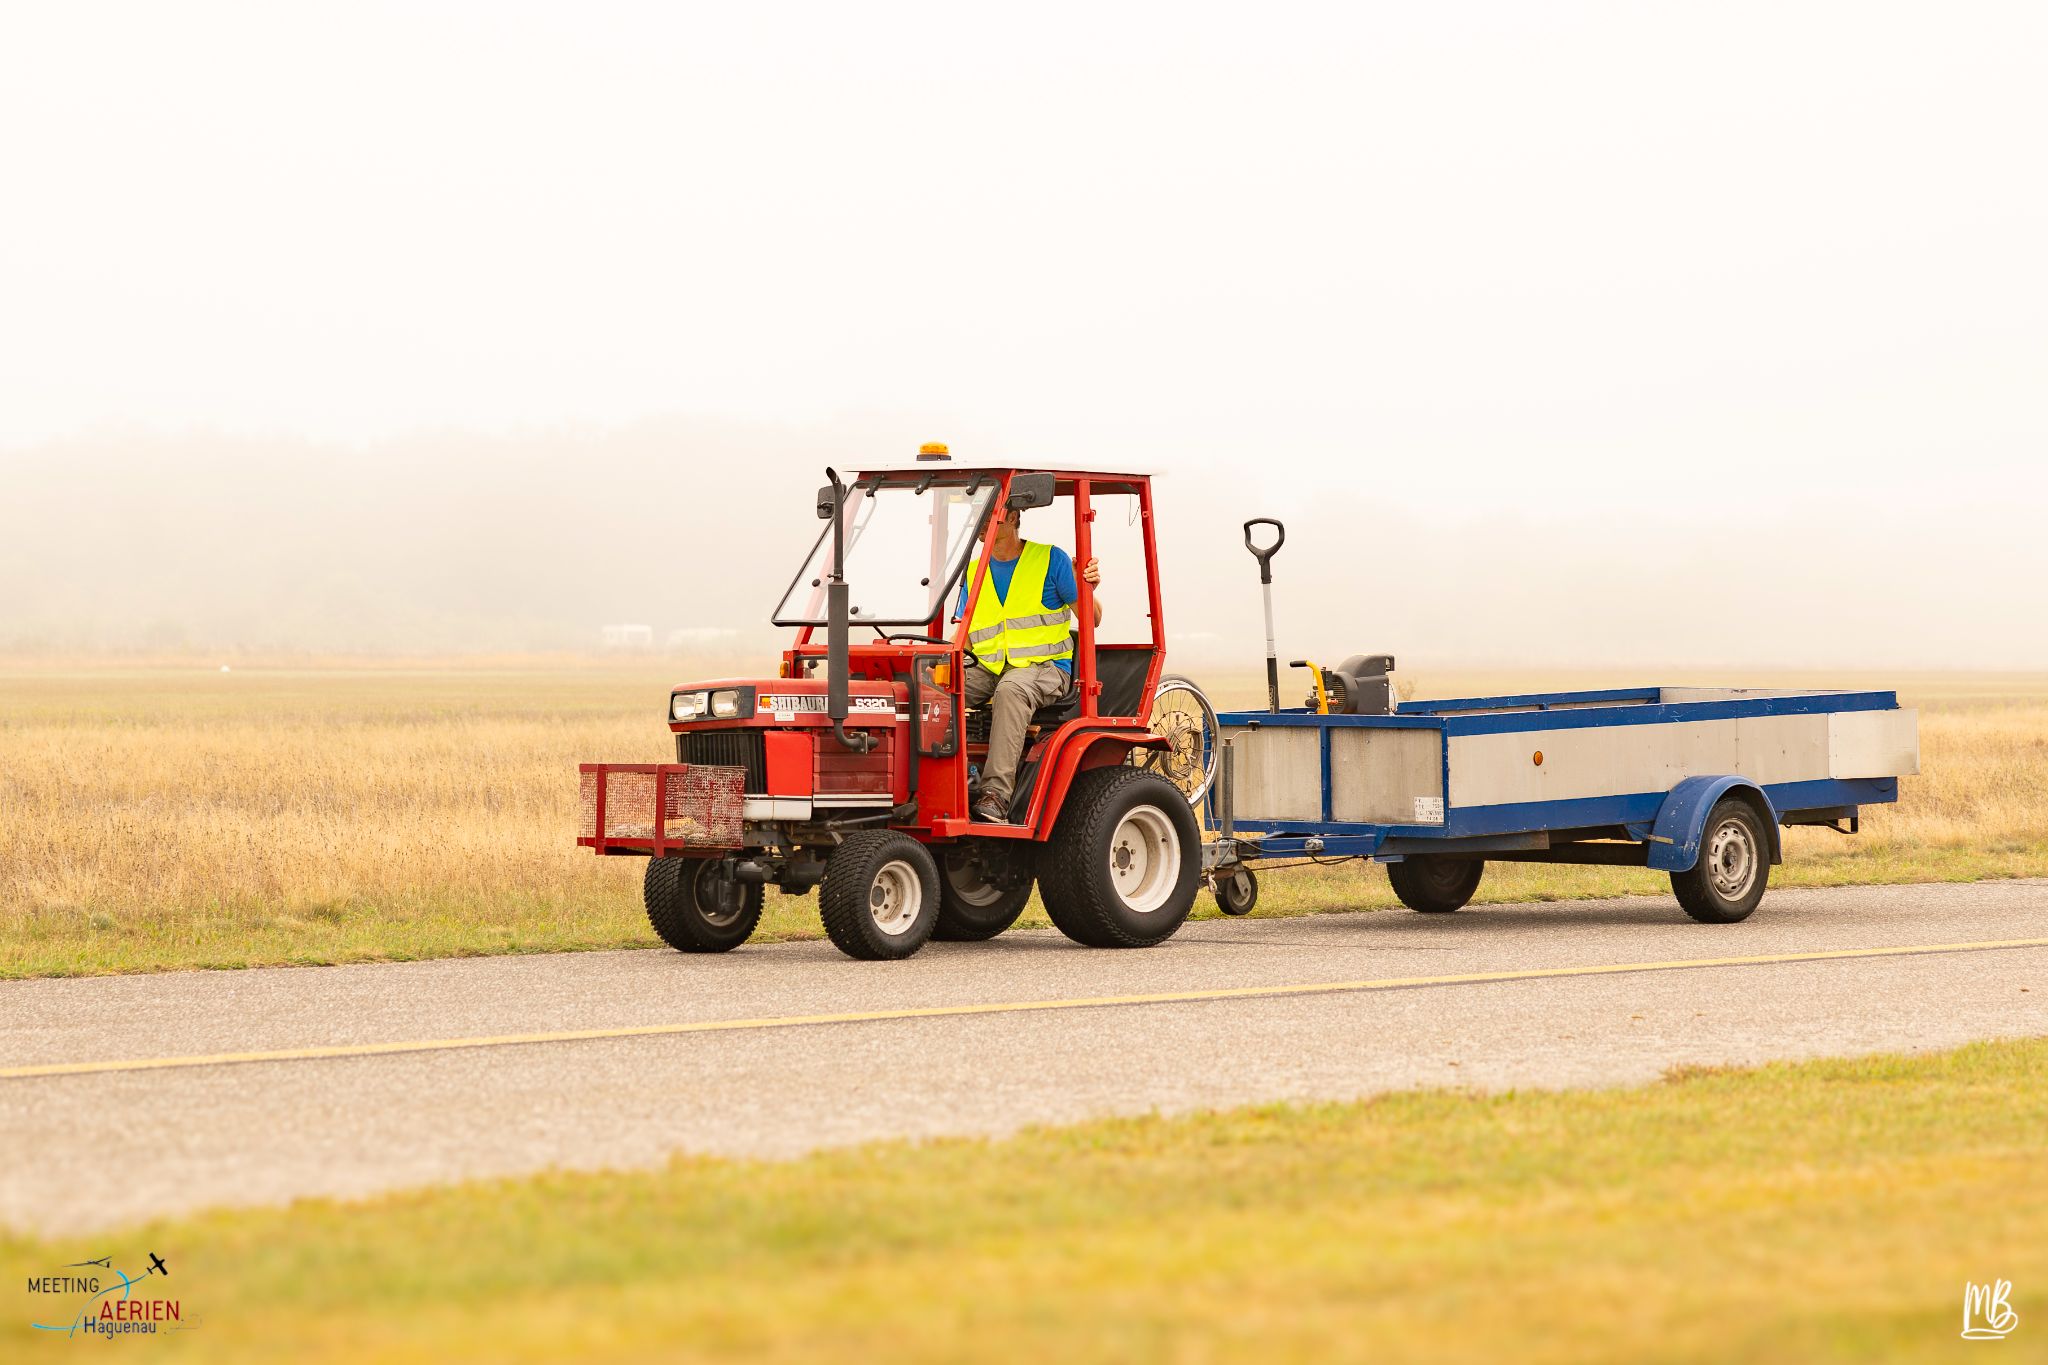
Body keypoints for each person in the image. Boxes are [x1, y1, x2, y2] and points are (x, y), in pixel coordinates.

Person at [953, 507, 1102, 822]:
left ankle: (995, 795)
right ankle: (944, 780)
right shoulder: (974, 571)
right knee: (932, 689)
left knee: (1011, 689)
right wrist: (942, 668)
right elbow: (964, 638)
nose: (981, 524)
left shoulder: (1050, 560)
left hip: (1046, 668)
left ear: (1012, 517)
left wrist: (1084, 585)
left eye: (989, 515)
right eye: (978, 515)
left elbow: (1093, 619)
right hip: (990, 667)